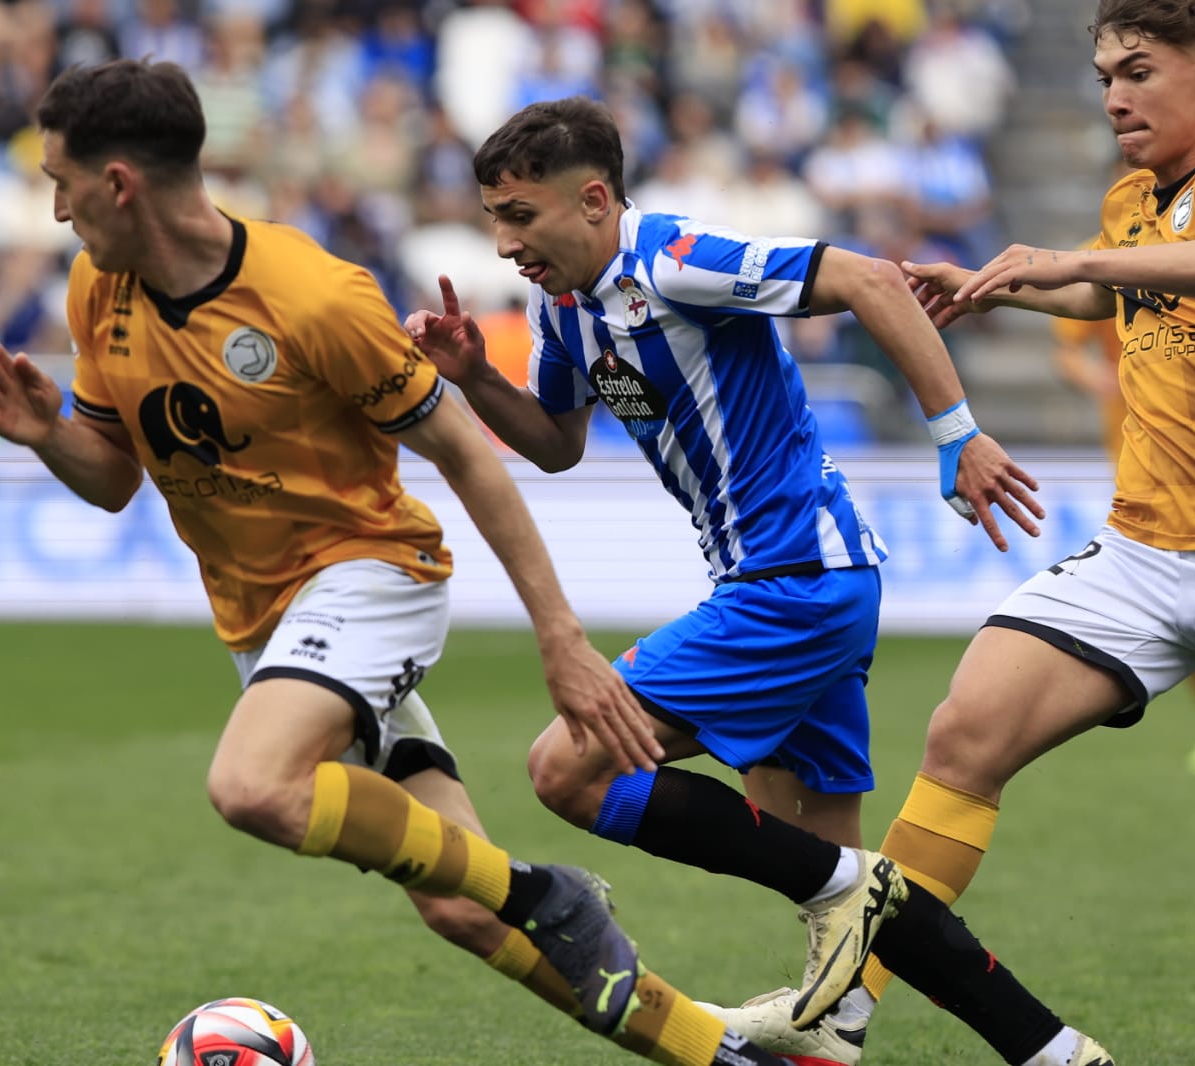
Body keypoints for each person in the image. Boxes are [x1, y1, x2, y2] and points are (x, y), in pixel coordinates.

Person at [0, 58, 804, 1066]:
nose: (53, 209)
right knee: (458, 909)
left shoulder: (311, 296)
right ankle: (718, 1054)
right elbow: (111, 476)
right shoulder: (96, 287)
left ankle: (544, 890)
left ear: (118, 183)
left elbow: (468, 456)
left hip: (373, 576)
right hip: (267, 621)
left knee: (253, 785)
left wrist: (560, 636)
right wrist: (47, 432)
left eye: (60, 180)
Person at [406, 95, 1113, 1066]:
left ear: (594, 199)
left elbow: (867, 277)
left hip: (794, 580)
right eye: (493, 217)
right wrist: (477, 379)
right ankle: (1052, 1051)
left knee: (571, 767)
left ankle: (842, 907)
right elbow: (557, 444)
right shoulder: (563, 310)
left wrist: (957, 433)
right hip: (793, 583)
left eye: (519, 216)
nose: (502, 242)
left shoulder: (676, 260)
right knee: (841, 882)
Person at [834, 0, 1195, 1040]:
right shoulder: (1133, 200)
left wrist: (1071, 261)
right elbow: (1109, 297)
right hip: (1143, 550)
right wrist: (997, 291)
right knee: (961, 733)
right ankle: (838, 1011)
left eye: (1137, 71)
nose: (1115, 95)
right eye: (1104, 76)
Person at [1048, 291, 1195, 775]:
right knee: (1175, 584)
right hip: (1133, 449)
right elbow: (1065, 349)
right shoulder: (1099, 255)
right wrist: (1096, 376)